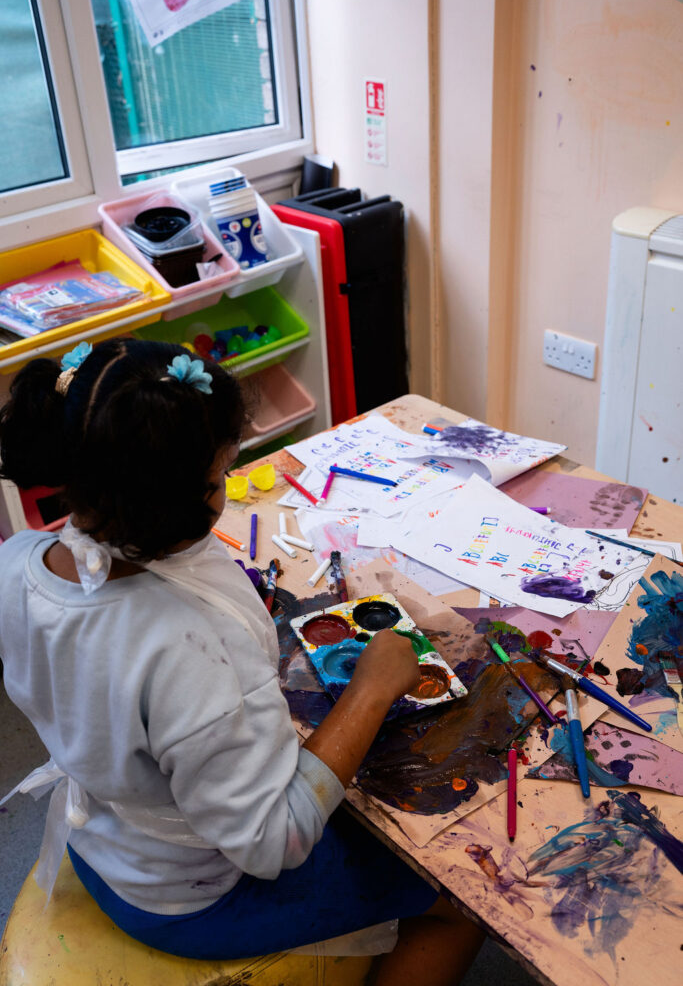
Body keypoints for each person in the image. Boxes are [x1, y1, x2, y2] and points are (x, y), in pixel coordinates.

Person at [0, 337, 483, 985]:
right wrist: (368, 691)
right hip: (189, 898)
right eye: (224, 470)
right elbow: (271, 841)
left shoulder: (20, 563)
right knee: (457, 902)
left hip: (105, 841)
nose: (226, 483)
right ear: (191, 499)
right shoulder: (186, 651)